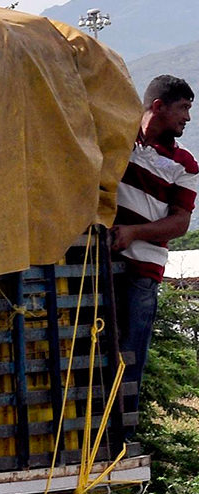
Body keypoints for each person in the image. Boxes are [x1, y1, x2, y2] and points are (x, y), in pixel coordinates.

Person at [111, 75, 198, 423]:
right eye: (183, 109)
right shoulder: (118, 138)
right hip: (98, 266)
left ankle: (121, 434)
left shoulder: (185, 164)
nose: (188, 118)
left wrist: (133, 232)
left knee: (129, 358)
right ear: (158, 107)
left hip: (142, 274)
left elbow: (180, 223)